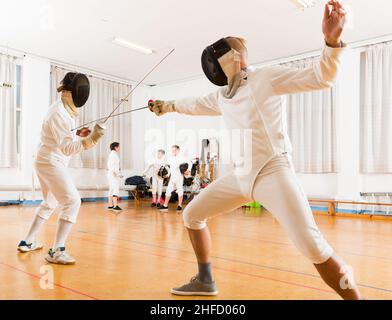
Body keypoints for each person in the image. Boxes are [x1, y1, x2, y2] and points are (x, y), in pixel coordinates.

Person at [149, 1, 362, 299]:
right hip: (240, 177)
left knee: (312, 247)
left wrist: (331, 42)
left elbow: (322, 77)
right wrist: (166, 106)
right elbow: (193, 104)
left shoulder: (266, 78)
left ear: (234, 60)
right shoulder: (223, 96)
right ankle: (205, 280)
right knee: (192, 215)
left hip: (272, 172)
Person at [18, 72, 106, 265]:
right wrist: (91, 140)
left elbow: (63, 138)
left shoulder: (63, 108)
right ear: (72, 92)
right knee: (72, 201)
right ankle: (57, 250)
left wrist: (78, 134)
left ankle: (28, 241)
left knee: (50, 202)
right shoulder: (59, 113)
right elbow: (66, 149)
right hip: (51, 161)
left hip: (46, 159)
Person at [159, 145, 190, 213]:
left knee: (180, 190)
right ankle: (165, 205)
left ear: (178, 150)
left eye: (175, 150)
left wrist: (187, 171)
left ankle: (179, 205)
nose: (174, 151)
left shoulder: (182, 158)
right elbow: (168, 167)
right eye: (172, 150)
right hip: (172, 178)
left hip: (179, 177)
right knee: (168, 191)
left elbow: (188, 166)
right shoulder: (170, 158)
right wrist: (167, 174)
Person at [107, 142, 123, 212]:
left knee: (111, 189)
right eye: (119, 147)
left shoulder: (111, 154)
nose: (119, 148)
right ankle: (115, 206)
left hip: (110, 174)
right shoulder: (114, 155)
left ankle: (110, 205)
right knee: (115, 189)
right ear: (115, 147)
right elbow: (115, 167)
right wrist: (119, 174)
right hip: (114, 175)